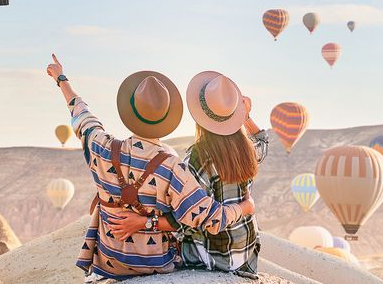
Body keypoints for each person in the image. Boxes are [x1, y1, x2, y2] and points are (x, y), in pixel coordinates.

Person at [46, 56, 255, 282]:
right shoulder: (172, 168)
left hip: (110, 260)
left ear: (130, 111)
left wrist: (61, 79)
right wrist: (245, 207)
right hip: (156, 264)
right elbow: (212, 220)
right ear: (167, 117)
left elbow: (82, 114)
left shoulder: (101, 146)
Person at [108, 71, 268, 279]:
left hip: (212, 256)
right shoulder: (247, 147)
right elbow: (262, 142)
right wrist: (246, 118)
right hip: (245, 250)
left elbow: (184, 219)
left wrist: (142, 223)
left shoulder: (198, 158)